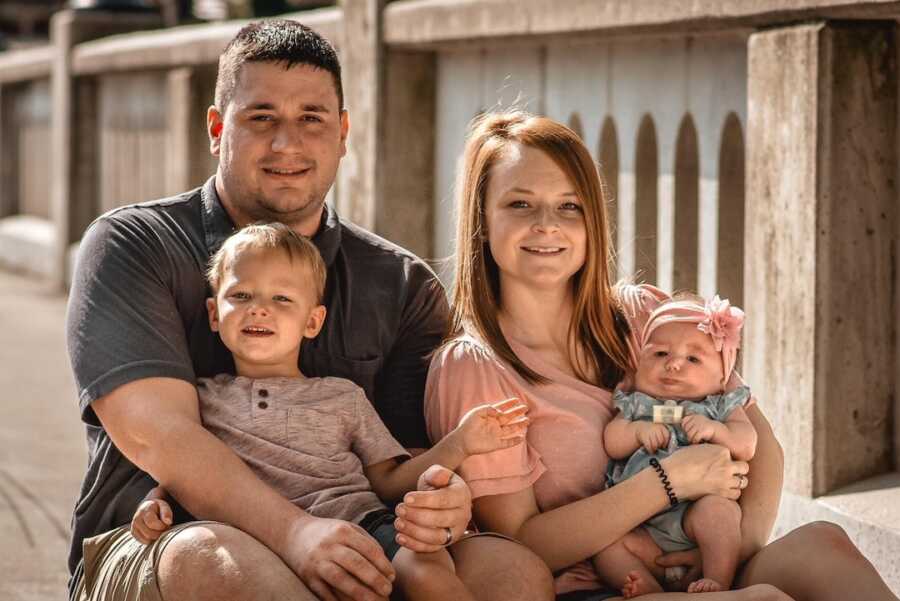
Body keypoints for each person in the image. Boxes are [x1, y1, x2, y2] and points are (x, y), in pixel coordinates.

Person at [65, 20, 554, 601]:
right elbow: (159, 436)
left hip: (353, 533)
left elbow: (404, 460)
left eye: (312, 119)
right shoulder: (134, 245)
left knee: (512, 574)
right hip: (161, 540)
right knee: (220, 561)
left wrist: (442, 501)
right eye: (262, 118)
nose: (286, 144)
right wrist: (295, 534)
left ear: (344, 132)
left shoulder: (399, 284)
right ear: (218, 129)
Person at [424, 110, 900, 601]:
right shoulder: (475, 367)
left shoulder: (645, 316)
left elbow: (761, 444)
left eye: (569, 206)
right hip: (601, 586)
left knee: (825, 545)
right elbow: (522, 540)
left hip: (708, 560)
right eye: (520, 204)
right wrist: (668, 481)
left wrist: (728, 553)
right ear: (482, 219)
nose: (548, 225)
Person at [127, 223, 530, 601]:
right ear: (215, 314)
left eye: (281, 298)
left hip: (367, 528)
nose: (259, 309)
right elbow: (184, 468)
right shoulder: (202, 398)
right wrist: (155, 501)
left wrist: (458, 444)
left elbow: (389, 481)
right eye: (241, 296)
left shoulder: (341, 396)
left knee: (425, 570)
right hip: (263, 544)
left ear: (313, 321)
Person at [595, 295, 756, 596]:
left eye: (693, 359)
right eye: (659, 354)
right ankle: (649, 589)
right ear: (639, 360)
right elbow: (612, 442)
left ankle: (717, 580)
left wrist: (717, 430)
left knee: (720, 514)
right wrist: (636, 431)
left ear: (722, 376)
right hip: (640, 521)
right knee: (606, 545)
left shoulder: (720, 405)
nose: (673, 364)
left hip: (695, 517)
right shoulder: (636, 402)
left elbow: (746, 445)